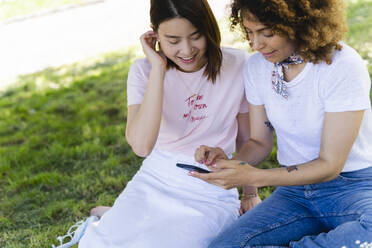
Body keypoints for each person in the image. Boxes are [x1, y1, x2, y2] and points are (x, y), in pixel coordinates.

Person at [64, 0, 261, 247]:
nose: (187, 50)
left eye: (196, 36)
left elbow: (247, 138)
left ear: (209, 29)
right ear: (155, 35)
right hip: (157, 177)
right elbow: (142, 147)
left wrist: (250, 193)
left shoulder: (239, 64)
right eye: (173, 41)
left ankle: (112, 214)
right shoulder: (143, 71)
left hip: (212, 182)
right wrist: (158, 69)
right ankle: (113, 216)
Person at [190, 0, 372, 247]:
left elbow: (330, 165)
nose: (256, 44)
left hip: (352, 187)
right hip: (295, 193)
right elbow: (258, 141)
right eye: (250, 33)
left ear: (299, 24)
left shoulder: (341, 64)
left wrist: (256, 177)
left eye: (267, 33)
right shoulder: (257, 67)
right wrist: (231, 163)